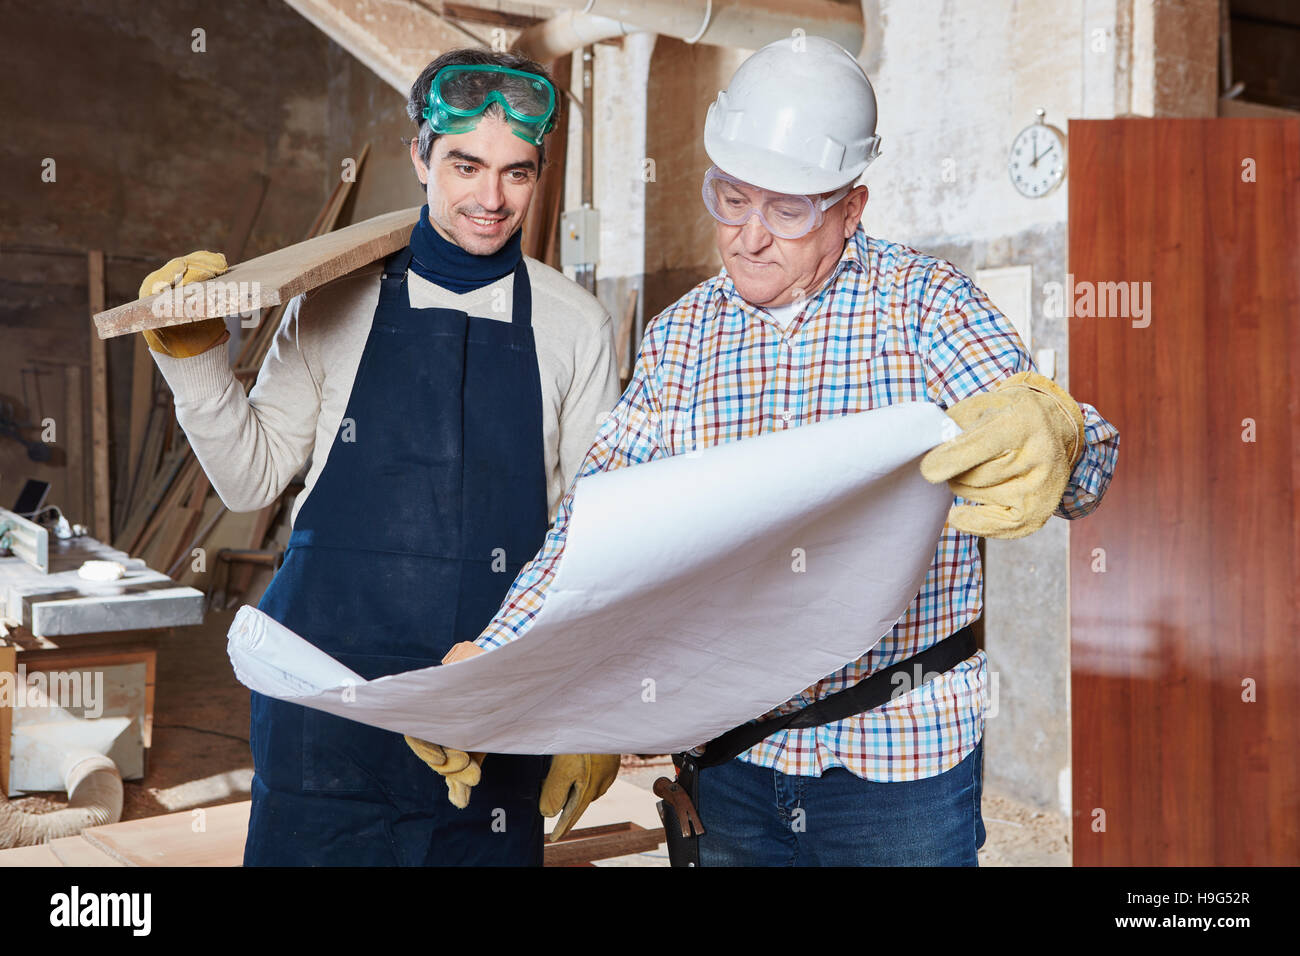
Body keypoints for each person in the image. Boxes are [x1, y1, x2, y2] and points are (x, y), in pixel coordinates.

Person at [425, 36, 1120, 866]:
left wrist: (1062, 436)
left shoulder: (928, 308)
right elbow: (600, 520)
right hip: (728, 761)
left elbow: (1082, 475)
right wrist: (502, 660)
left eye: (788, 210)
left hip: (896, 759)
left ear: (851, 208)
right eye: (731, 197)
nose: (749, 237)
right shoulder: (683, 335)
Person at [138, 49, 622, 866]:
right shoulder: (333, 301)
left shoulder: (576, 325)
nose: (492, 199)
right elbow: (251, 476)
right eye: (467, 165)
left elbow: (597, 536)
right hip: (327, 711)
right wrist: (197, 364)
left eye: (518, 172)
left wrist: (591, 713)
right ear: (420, 156)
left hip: (490, 709)